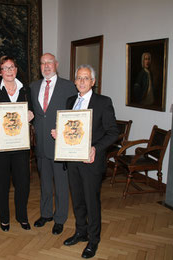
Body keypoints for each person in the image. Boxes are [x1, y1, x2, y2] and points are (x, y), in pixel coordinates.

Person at [53, 65, 118, 258]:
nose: (82, 81)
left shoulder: (103, 102)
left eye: (86, 78)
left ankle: (93, 240)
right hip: (72, 160)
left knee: (91, 202)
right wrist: (60, 134)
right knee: (78, 200)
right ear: (75, 81)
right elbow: (70, 129)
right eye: (79, 78)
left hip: (91, 162)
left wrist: (95, 148)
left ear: (93, 82)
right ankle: (80, 232)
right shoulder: (70, 100)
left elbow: (113, 132)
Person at [0, 56, 34, 231]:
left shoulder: (25, 90)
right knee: (1, 184)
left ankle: (22, 216)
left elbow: (32, 110)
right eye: (5, 68)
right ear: (0, 72)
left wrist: (31, 114)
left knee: (23, 183)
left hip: (20, 145)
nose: (9, 71)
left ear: (16, 70)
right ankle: (4, 218)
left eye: (12, 67)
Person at [30, 53, 77, 235]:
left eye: (49, 62)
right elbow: (34, 113)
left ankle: (60, 218)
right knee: (45, 183)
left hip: (60, 144)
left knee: (61, 184)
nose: (46, 66)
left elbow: (75, 116)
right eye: (42, 63)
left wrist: (66, 135)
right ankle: (46, 214)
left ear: (56, 64)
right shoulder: (33, 87)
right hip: (41, 144)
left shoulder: (68, 86)